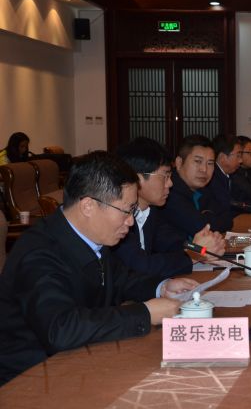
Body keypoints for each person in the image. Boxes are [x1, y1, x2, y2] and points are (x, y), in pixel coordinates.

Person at [0, 151, 198, 385]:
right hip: (31, 380)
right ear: (88, 206)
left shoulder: (91, 235)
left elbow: (121, 279)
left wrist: (162, 287)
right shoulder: (38, 253)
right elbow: (61, 330)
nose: (130, 221)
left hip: (81, 361)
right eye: (126, 210)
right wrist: (145, 313)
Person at [114, 137, 224, 279]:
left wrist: (199, 249)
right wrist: (193, 255)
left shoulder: (151, 211)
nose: (170, 183)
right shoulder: (119, 217)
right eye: (165, 176)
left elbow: (173, 243)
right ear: (138, 178)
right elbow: (141, 266)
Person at [159, 135, 232, 236]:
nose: (204, 169)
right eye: (198, 161)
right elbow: (200, 227)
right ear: (179, 163)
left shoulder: (203, 189)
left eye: (210, 163)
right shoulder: (169, 192)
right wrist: (208, 217)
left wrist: (205, 217)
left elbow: (228, 219)